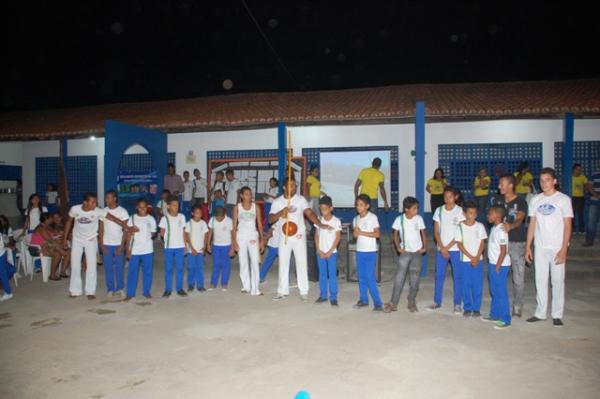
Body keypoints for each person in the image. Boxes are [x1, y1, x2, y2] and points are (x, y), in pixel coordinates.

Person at [526, 168, 573, 327]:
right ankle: (540, 313)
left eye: (547, 180)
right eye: (541, 180)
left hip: (557, 247)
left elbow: (568, 225)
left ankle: (557, 314)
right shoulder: (535, 200)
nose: (544, 183)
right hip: (540, 247)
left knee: (558, 280)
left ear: (554, 181)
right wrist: (528, 246)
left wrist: (564, 248)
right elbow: (532, 224)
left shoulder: (563, 200)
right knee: (540, 279)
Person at [63, 193, 132, 300]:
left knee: (91, 265)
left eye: (96, 202)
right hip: (77, 240)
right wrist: (65, 238)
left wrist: (127, 227)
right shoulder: (75, 209)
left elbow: (113, 218)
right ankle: (75, 290)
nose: (95, 204)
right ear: (85, 202)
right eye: (93, 202)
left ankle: (90, 291)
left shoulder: (98, 211)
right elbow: (68, 222)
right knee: (75, 264)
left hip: (91, 239)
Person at [269, 177, 329, 302]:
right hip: (284, 237)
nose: (293, 187)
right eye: (290, 185)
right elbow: (270, 220)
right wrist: (282, 212)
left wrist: (319, 224)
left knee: (301, 263)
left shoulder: (300, 200)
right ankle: (282, 291)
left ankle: (304, 291)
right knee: (283, 263)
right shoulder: (277, 202)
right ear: (284, 187)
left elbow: (309, 213)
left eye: (294, 185)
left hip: (298, 236)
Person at [384, 196, 427, 313]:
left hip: (417, 252)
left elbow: (423, 233)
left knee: (415, 278)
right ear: (406, 209)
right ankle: (393, 302)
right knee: (399, 278)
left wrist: (424, 247)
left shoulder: (418, 219)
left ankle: (411, 300)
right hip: (405, 252)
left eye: (417, 208)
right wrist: (398, 247)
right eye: (414, 208)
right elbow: (395, 234)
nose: (416, 211)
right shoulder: (400, 219)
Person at [495, 173, 528, 317]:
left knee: (518, 276)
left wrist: (511, 226)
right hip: (500, 243)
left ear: (510, 185)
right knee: (497, 273)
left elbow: (520, 219)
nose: (499, 186)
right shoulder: (497, 200)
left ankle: (517, 305)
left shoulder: (521, 202)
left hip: (516, 242)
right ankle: (498, 303)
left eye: (502, 184)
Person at [428, 186, 465, 313]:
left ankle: (457, 303)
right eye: (445, 197)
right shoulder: (439, 210)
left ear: (456, 197)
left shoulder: (460, 211)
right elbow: (436, 231)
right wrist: (442, 247)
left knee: (458, 276)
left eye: (450, 197)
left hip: (455, 249)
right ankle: (437, 301)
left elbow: (460, 232)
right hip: (441, 248)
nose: (447, 199)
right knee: (439, 275)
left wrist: (447, 248)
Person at [454, 201, 487, 317]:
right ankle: (467, 307)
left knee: (477, 284)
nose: (472, 215)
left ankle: (476, 308)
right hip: (465, 261)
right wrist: (470, 257)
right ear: (464, 213)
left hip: (478, 260)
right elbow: (459, 245)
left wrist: (477, 257)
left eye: (474, 213)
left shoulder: (480, 226)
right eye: (470, 213)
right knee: (466, 284)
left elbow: (482, 243)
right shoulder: (460, 227)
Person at [352, 194, 383, 311]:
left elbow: (377, 234)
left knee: (370, 277)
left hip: (370, 251)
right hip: (360, 250)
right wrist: (356, 233)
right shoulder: (356, 219)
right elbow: (355, 236)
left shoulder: (372, 217)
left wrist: (361, 232)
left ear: (367, 206)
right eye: (357, 205)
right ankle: (364, 299)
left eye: (361, 205)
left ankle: (378, 303)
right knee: (361, 276)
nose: (358, 207)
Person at [483, 205, 512, 330]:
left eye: (490, 214)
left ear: (498, 215)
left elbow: (503, 250)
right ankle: (494, 314)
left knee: (501, 292)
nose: (488, 216)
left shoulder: (501, 230)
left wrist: (498, 266)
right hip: (493, 263)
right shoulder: (494, 228)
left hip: (500, 265)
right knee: (494, 291)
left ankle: (505, 318)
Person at [232, 186, 264, 296]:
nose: (249, 196)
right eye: (246, 194)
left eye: (250, 194)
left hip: (252, 236)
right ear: (241, 196)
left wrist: (262, 240)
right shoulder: (237, 207)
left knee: (255, 262)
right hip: (240, 236)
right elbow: (234, 225)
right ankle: (246, 286)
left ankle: (256, 289)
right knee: (243, 261)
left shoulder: (256, 207)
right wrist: (234, 242)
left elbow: (259, 224)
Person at [124, 198, 157, 300]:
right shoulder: (132, 218)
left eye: (144, 207)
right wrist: (128, 250)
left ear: (147, 208)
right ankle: (130, 293)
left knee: (147, 271)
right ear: (137, 208)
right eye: (140, 207)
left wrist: (150, 233)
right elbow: (128, 235)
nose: (142, 209)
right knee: (132, 271)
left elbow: (153, 233)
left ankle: (146, 292)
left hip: (147, 249)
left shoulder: (151, 219)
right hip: (135, 250)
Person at [99, 190, 129, 298]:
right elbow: (101, 229)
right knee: (108, 268)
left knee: (119, 267)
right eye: (106, 198)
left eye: (108, 198)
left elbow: (126, 230)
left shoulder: (123, 212)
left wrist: (122, 246)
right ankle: (110, 289)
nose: (106, 200)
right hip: (107, 244)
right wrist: (102, 245)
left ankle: (120, 288)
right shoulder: (103, 211)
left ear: (114, 198)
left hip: (118, 244)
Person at [314, 196, 342, 306]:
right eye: (321, 209)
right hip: (320, 252)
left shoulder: (336, 221)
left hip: (332, 253)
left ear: (331, 208)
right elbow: (316, 235)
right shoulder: (319, 220)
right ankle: (323, 295)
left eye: (325, 209)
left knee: (332, 275)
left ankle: (333, 297)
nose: (323, 211)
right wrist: (318, 249)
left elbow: (338, 237)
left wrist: (330, 251)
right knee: (322, 274)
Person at [159, 195, 187, 298]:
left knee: (180, 268)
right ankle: (168, 289)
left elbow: (184, 232)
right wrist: (167, 240)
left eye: (177, 205)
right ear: (168, 206)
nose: (176, 207)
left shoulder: (182, 217)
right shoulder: (164, 218)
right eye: (174, 205)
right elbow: (162, 233)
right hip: (169, 248)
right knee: (169, 269)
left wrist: (185, 245)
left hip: (180, 247)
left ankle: (179, 288)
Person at [31, 213, 70, 281]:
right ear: (47, 220)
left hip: (47, 246)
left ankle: (62, 272)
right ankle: (52, 275)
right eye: (51, 218)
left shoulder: (46, 226)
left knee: (69, 251)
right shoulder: (41, 228)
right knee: (57, 254)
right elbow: (51, 241)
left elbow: (53, 237)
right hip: (38, 249)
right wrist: (61, 247)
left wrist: (61, 242)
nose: (52, 219)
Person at [206, 206, 235, 290]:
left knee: (226, 265)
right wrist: (208, 244)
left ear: (224, 215)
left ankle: (224, 283)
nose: (218, 220)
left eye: (220, 218)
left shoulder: (229, 221)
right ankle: (213, 283)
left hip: (227, 245)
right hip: (216, 246)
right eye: (217, 218)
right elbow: (210, 232)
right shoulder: (212, 220)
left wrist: (232, 248)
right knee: (216, 264)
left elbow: (232, 234)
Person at [185, 205, 209, 292]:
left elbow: (206, 235)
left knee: (200, 267)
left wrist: (205, 247)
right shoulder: (189, 223)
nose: (198, 215)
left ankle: (200, 285)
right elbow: (187, 236)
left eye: (200, 213)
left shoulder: (203, 223)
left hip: (200, 249)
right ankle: (191, 284)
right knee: (191, 267)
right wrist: (191, 248)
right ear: (192, 214)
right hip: (192, 250)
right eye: (196, 213)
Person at [583, 162, 600, 246]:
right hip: (594, 201)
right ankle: (589, 241)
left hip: (595, 200)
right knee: (591, 222)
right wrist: (596, 195)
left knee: (592, 222)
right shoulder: (594, 174)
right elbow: (588, 186)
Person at [571, 163, 588, 235]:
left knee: (581, 214)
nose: (579, 171)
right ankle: (573, 229)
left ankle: (582, 229)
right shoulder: (570, 177)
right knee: (572, 213)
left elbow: (586, 186)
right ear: (574, 170)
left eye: (580, 169)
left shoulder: (583, 177)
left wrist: (586, 193)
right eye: (578, 169)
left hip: (580, 197)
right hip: (572, 197)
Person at [0, 232, 14, 301]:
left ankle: (8, 293)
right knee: (4, 273)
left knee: (3, 274)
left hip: (0, 254)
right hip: (2, 253)